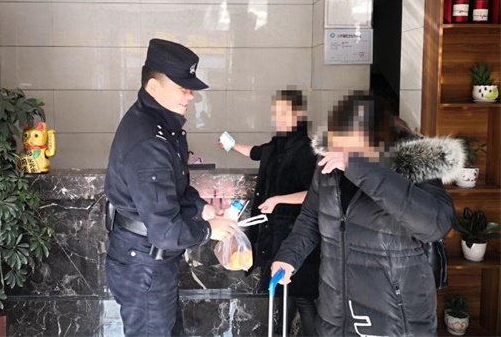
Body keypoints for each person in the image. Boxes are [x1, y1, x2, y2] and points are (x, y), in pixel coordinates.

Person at [271, 92, 462, 336]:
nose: (338, 151)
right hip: (335, 315)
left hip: (394, 321)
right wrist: (289, 256)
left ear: (377, 140)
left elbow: (435, 225)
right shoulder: (328, 166)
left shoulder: (411, 166)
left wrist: (359, 168)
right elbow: (310, 217)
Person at [105, 38, 238, 337]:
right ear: (154, 87)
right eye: (182, 87)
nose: (190, 95)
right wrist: (210, 230)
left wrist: (203, 209)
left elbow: (175, 187)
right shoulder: (149, 141)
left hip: (147, 261)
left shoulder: (162, 126)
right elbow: (165, 232)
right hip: (143, 265)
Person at [218, 90, 320, 336]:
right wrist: (232, 145)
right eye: (276, 112)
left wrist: (278, 200)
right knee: (283, 295)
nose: (278, 118)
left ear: (299, 114)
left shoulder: (306, 149)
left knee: (302, 296)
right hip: (275, 236)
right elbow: (257, 152)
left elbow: (316, 193)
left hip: (298, 235)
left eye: (285, 112)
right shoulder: (277, 145)